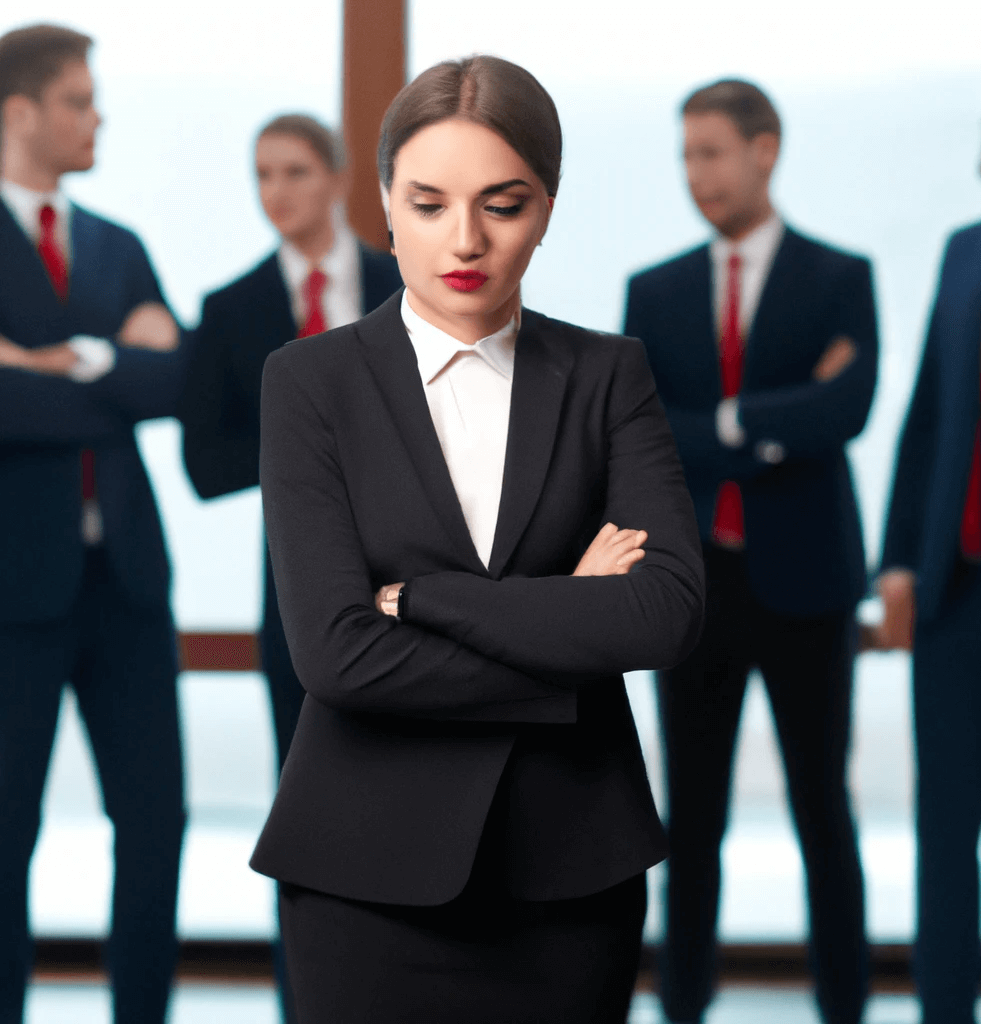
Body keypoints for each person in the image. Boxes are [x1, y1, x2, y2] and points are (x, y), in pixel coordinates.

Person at [247, 55, 705, 1024]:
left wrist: (420, 597)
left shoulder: (606, 373)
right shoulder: (308, 381)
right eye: (428, 203)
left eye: (503, 203)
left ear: (546, 205)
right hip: (360, 874)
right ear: (382, 202)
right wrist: (568, 625)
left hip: (573, 875)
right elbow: (335, 653)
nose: (465, 239)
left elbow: (661, 614)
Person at [624, 79, 877, 1024]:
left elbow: (845, 411)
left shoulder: (838, 276)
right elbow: (645, 433)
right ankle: (682, 1006)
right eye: (687, 154)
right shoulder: (657, 289)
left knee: (823, 811)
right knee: (689, 822)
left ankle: (845, 1009)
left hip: (806, 583)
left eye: (714, 152)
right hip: (694, 585)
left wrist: (721, 423)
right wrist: (773, 420)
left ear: (765, 150)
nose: (698, 174)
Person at [178, 111, 401, 1023]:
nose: (278, 192)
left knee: (416, 809)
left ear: (340, 176)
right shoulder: (230, 310)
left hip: (416, 592)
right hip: (299, 605)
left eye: (296, 171)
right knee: (304, 818)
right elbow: (204, 464)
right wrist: (319, 444)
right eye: (262, 174)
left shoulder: (403, 285)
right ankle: (307, 1003)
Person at [0, 23, 188, 1024]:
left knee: (156, 826)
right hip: (11, 592)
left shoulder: (119, 246)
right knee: (3, 835)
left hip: (128, 586)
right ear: (19, 112)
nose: (96, 115)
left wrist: (37, 365)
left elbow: (182, 383)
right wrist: (113, 363)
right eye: (77, 99)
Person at [876, 42, 981, 1024]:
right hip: (956, 594)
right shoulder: (969, 249)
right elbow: (930, 417)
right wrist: (895, 561)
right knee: (943, 835)